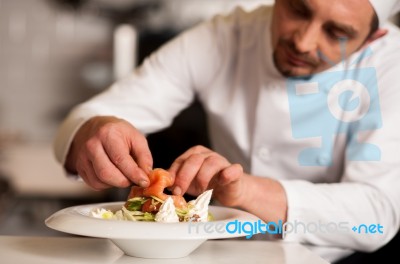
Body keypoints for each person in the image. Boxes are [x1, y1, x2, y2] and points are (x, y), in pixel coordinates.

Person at [53, 0, 400, 263]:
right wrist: (93, 131)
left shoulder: (390, 64)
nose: (304, 42)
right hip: (222, 254)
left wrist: (245, 190)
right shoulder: (223, 36)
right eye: (297, 9)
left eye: (336, 33)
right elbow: (87, 118)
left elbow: (378, 211)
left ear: (374, 37)